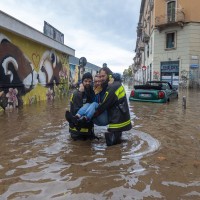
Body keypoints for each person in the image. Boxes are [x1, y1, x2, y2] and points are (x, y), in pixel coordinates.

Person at [93, 66, 132, 146]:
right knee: (117, 145)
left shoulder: (111, 86)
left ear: (109, 75)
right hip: (120, 117)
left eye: (103, 76)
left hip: (116, 118)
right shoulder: (113, 84)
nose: (101, 78)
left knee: (111, 145)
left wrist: (94, 114)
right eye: (100, 76)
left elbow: (104, 104)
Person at [65, 72, 96, 140]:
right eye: (85, 81)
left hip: (88, 130)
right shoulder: (77, 94)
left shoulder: (91, 92)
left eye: (89, 81)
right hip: (77, 132)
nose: (87, 83)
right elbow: (76, 110)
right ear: (82, 82)